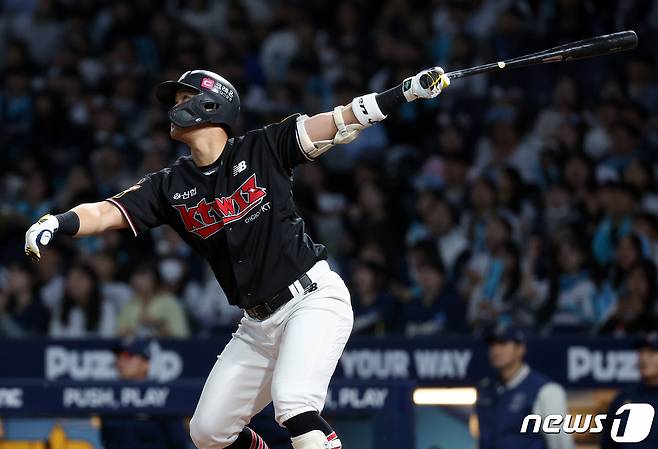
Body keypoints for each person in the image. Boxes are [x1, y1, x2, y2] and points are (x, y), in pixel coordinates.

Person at [25, 66, 450, 449]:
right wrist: (57, 222)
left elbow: (336, 122)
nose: (174, 108)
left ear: (212, 103)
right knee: (207, 431)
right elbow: (105, 211)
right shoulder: (170, 185)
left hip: (311, 299)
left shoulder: (263, 147)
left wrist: (403, 93)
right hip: (256, 324)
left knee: (295, 404)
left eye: (182, 98)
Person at [475, 325, 574, 449]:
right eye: (492, 344)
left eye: (503, 343)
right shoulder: (485, 388)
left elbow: (562, 444)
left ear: (520, 349)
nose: (496, 350)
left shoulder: (546, 390)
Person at [100, 338, 188, 449]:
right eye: (118, 356)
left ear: (145, 363)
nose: (121, 361)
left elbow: (178, 442)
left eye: (128, 356)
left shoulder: (162, 395)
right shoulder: (111, 396)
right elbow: (106, 440)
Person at [601, 331, 658, 448]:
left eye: (651, 352)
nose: (644, 358)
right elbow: (608, 443)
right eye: (641, 352)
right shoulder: (624, 397)